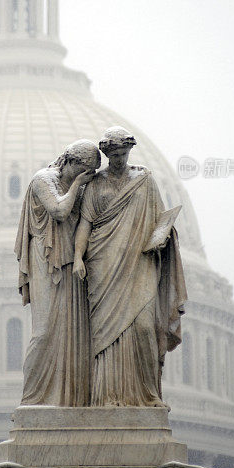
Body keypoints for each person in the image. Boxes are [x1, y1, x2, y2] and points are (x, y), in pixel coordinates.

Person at [74, 126, 187, 406]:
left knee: (145, 327)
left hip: (140, 262)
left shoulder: (144, 180)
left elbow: (161, 220)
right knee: (106, 335)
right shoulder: (95, 184)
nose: (120, 160)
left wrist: (162, 238)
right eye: (114, 155)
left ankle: (147, 395)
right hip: (103, 264)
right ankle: (107, 396)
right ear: (106, 154)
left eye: (124, 154)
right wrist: (78, 257)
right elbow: (85, 224)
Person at [15, 139, 101, 406]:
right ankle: (34, 398)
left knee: (71, 334)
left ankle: (68, 398)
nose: (87, 178)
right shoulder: (44, 179)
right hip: (46, 258)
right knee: (44, 331)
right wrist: (77, 184)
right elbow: (59, 211)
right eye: (85, 171)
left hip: (70, 265)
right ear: (71, 162)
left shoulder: (80, 186)